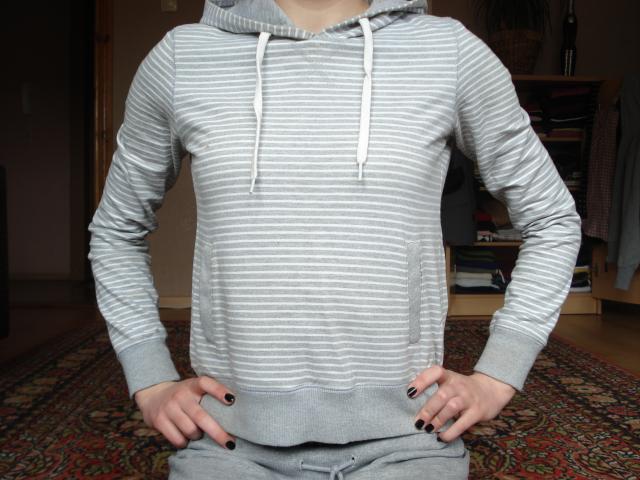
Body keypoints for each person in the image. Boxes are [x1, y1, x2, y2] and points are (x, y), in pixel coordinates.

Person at [87, 0, 583, 478]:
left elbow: (552, 218)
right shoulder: (183, 57)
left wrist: (497, 375)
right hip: (231, 442)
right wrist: (150, 379)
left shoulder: (449, 52)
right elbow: (116, 229)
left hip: (407, 439)